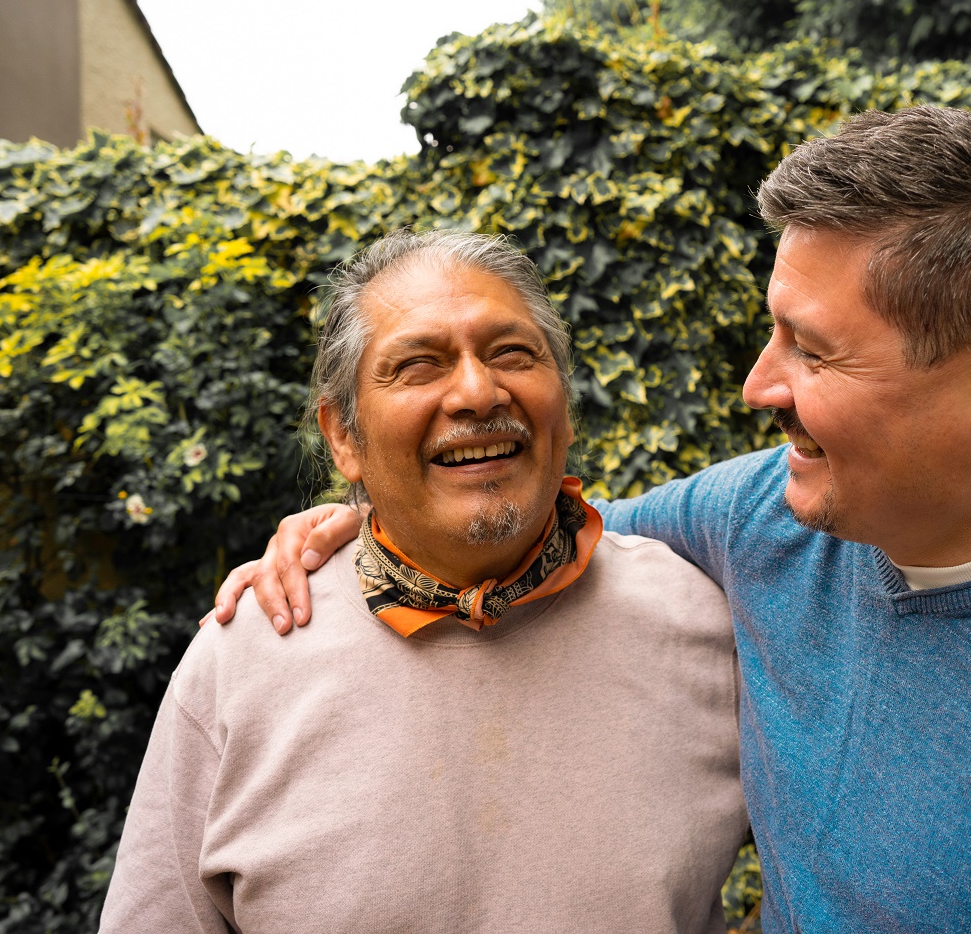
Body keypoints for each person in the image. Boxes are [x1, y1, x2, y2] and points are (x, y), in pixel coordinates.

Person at [213, 108, 971, 931]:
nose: (759, 385)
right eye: (772, 328)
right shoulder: (767, 517)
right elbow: (535, 534)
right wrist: (360, 522)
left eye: (811, 349)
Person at [102, 231, 748, 934]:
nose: (477, 391)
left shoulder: (705, 624)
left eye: (511, 353)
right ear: (343, 437)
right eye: (417, 365)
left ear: (562, 405)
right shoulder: (244, 660)